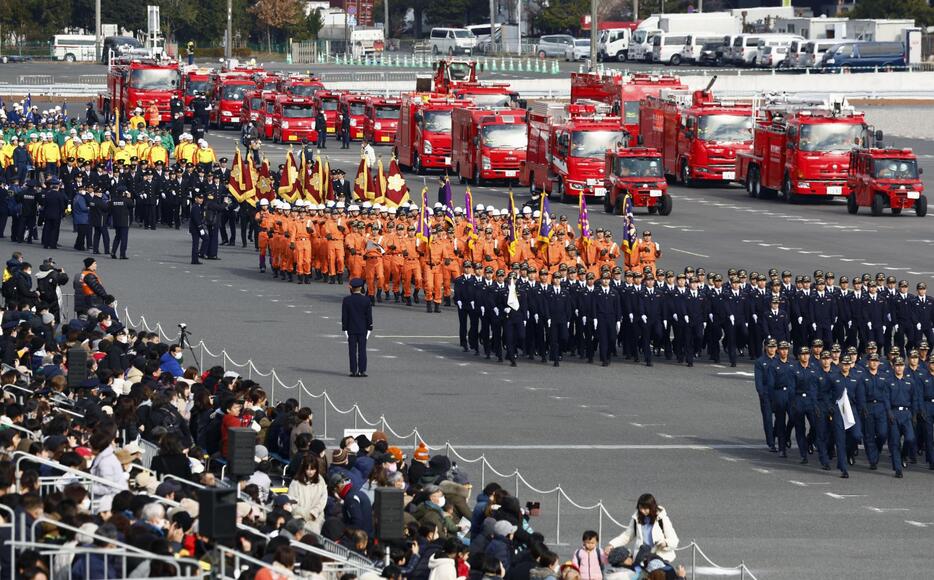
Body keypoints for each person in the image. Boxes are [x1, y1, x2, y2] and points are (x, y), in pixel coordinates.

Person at [606, 494, 679, 565]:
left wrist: (665, 543)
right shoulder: (636, 518)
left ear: (652, 507)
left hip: (660, 558)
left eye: (645, 508)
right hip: (642, 557)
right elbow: (627, 536)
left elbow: (674, 539)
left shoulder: (662, 518)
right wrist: (612, 545)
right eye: (640, 508)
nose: (642, 511)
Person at [287, 454, 328, 534]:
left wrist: (314, 512)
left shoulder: (321, 481)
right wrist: (304, 514)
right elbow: (292, 501)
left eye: (312, 469)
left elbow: (323, 499)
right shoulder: (295, 483)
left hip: (316, 517)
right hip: (299, 517)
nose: (310, 472)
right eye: (308, 469)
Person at [342, 278, 373, 377]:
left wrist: (345, 328)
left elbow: (344, 316)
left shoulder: (347, 300)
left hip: (351, 328)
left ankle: (353, 370)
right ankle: (362, 370)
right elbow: (369, 316)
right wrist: (370, 327)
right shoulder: (366, 300)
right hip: (362, 329)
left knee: (352, 350)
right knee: (362, 350)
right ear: (360, 287)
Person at [190, 191, 206, 265]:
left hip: (198, 228)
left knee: (205, 239)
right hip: (196, 229)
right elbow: (196, 219)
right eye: (199, 198)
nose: (201, 200)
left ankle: (199, 254)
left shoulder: (199, 206)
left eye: (202, 198)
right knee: (196, 244)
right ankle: (195, 258)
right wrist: (201, 228)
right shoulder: (195, 207)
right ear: (196, 199)